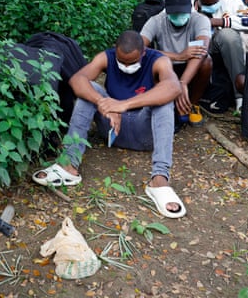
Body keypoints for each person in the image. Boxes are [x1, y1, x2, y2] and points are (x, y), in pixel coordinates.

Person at [31, 30, 186, 218]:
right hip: (112, 129)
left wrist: (123, 105)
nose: (126, 66)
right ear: (115, 50)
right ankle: (69, 164)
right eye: (122, 61)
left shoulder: (158, 60)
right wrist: (103, 103)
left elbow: (173, 87)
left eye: (132, 62)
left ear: (143, 52)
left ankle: (159, 179)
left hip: (144, 132)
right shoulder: (106, 57)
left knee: (164, 101)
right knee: (90, 88)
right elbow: (77, 79)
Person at [140, 0, 212, 124]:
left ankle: (193, 104)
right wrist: (178, 56)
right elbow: (139, 49)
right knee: (148, 62)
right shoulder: (156, 21)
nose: (179, 15)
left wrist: (182, 83)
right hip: (166, 67)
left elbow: (202, 48)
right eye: (174, 12)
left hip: (190, 67)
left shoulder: (200, 20)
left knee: (206, 61)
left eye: (182, 12)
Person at [193, 0, 248, 114]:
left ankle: (240, 99)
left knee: (228, 35)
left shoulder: (230, 1)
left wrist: (219, 21)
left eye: (215, 2)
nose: (212, 6)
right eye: (207, 4)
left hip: (223, 45)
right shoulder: (188, 5)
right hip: (197, 46)